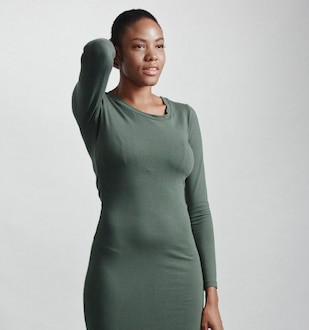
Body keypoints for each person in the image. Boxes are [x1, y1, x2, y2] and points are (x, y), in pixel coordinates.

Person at [71, 9, 224, 330]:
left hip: (180, 276)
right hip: (117, 274)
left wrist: (211, 297)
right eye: (139, 46)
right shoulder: (97, 111)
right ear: (117, 55)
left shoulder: (185, 117)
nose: (153, 56)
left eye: (160, 45)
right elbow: (96, 51)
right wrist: (111, 50)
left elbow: (199, 209)